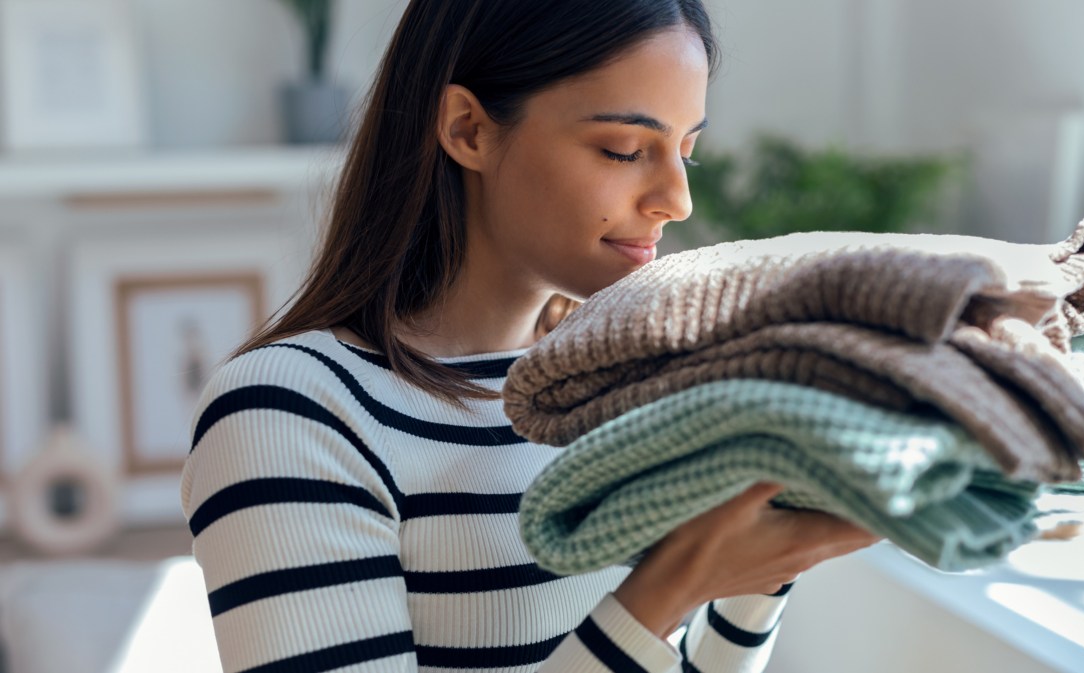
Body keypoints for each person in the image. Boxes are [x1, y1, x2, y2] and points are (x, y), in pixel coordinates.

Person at [181, 1, 881, 671]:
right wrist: (669, 586)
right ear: (469, 130)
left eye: (685, 152)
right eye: (624, 149)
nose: (677, 198)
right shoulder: (291, 413)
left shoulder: (623, 391)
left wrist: (771, 551)